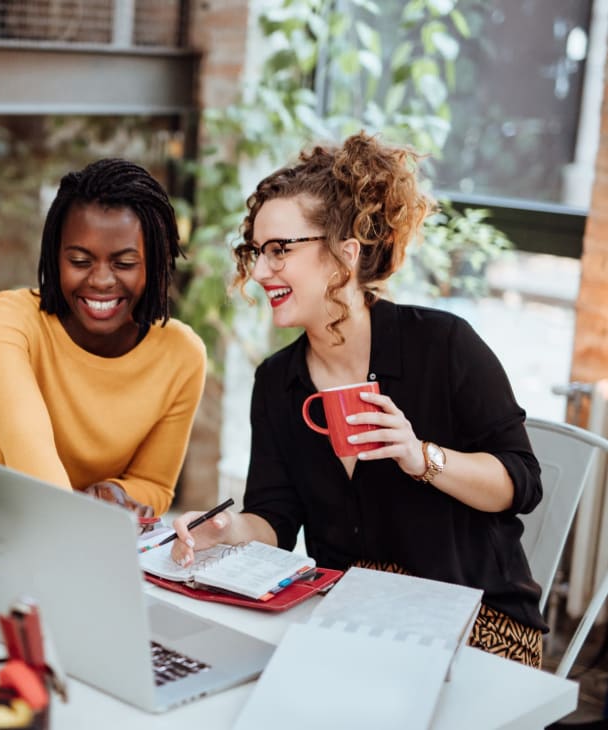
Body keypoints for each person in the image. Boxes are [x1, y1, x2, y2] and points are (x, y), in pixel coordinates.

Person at [170, 132, 546, 667]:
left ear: (344, 254)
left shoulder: (443, 345)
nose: (259, 271)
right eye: (256, 252)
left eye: (279, 250)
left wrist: (421, 458)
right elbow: (276, 520)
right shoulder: (278, 382)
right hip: (354, 615)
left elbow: (521, 484)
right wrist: (227, 532)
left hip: (475, 618)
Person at [0, 158, 207, 517]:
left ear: (156, 264)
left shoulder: (182, 355)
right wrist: (79, 516)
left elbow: (155, 485)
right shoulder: (9, 320)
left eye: (125, 264)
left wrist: (116, 492)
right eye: (80, 261)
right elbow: (27, 444)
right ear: (55, 258)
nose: (100, 280)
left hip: (91, 537)